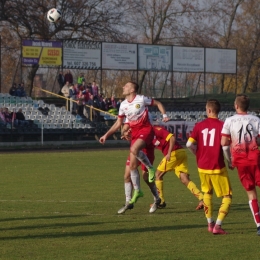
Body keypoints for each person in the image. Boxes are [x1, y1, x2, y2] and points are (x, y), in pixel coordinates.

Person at [99, 81, 169, 204]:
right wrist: (107, 135)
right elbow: (120, 124)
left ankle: (150, 169)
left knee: (136, 152)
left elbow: (157, 103)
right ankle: (131, 198)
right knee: (128, 173)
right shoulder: (123, 105)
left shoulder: (141, 99)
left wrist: (164, 115)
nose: (123, 87)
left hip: (146, 131)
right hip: (135, 136)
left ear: (132, 90)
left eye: (126, 86)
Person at [187, 99, 232, 235]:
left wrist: (197, 154)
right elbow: (225, 147)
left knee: (207, 193)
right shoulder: (223, 126)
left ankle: (209, 223)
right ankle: (218, 226)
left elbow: (189, 144)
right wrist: (229, 161)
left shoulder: (199, 125)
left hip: (202, 166)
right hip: (217, 166)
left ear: (209, 110)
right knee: (227, 196)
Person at [221, 94, 260, 236]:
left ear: (236, 106)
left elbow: (224, 144)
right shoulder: (256, 119)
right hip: (256, 159)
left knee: (251, 193)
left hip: (241, 162)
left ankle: (259, 225)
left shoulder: (230, 121)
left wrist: (230, 160)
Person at [152, 125, 204, 210]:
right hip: (181, 153)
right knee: (184, 179)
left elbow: (172, 137)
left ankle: (161, 201)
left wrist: (169, 153)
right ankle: (202, 198)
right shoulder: (148, 135)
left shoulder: (156, 129)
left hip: (174, 153)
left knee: (158, 175)